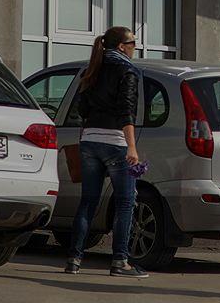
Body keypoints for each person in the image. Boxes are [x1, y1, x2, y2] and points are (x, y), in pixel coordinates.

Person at [65, 26, 148, 278]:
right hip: (115, 143)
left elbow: (82, 109)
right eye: (133, 43)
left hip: (89, 142)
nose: (135, 48)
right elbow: (126, 111)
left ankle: (74, 260)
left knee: (88, 202)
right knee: (125, 202)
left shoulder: (93, 69)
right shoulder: (128, 71)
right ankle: (120, 262)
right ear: (122, 47)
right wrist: (132, 146)